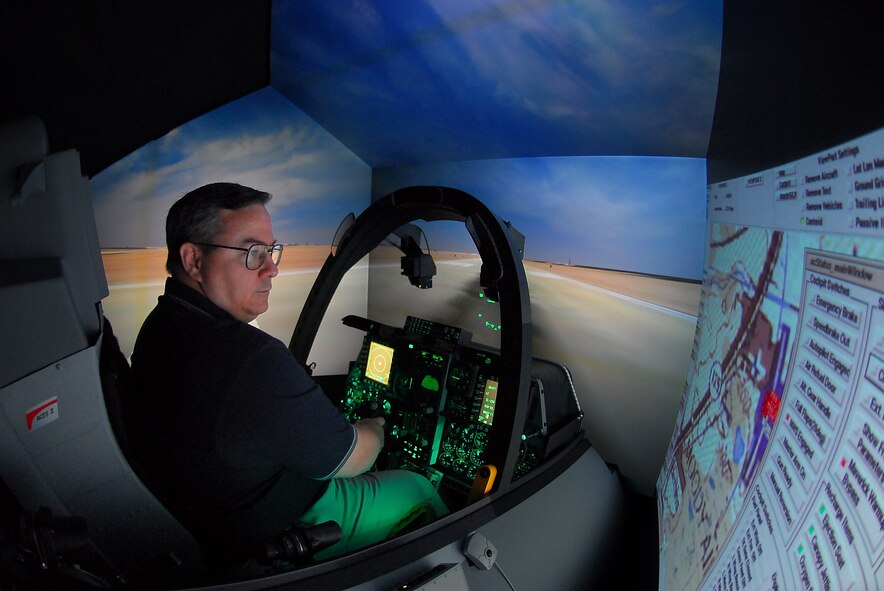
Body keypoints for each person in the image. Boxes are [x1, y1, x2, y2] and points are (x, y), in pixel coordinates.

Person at [127, 182, 446, 573]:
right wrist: (375, 428)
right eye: (253, 253)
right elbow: (353, 459)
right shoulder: (248, 358)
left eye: (271, 250)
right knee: (418, 488)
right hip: (283, 529)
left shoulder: (159, 326)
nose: (272, 268)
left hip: (213, 517)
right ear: (193, 260)